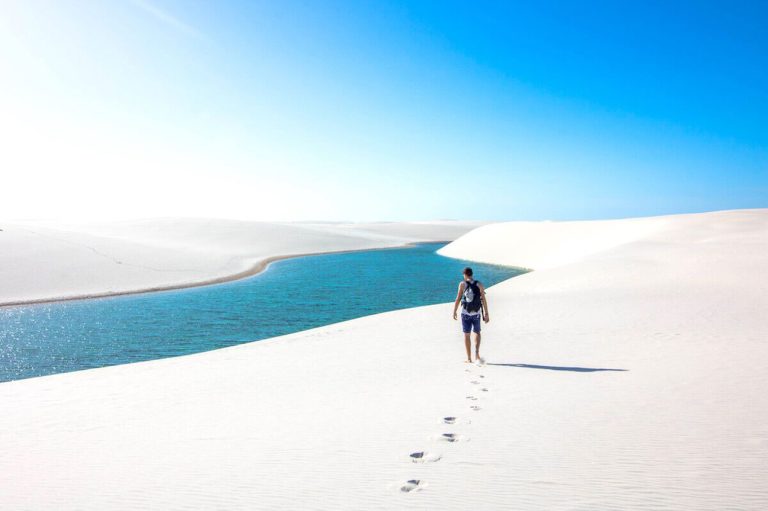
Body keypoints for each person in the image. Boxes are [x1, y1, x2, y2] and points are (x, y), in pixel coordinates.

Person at [452, 267, 489, 364]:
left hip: (465, 314)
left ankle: (469, 358)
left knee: (467, 335)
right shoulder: (479, 284)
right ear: (472, 274)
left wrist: (454, 311)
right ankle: (477, 354)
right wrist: (486, 313)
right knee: (477, 332)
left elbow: (458, 298)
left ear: (464, 275)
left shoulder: (462, 284)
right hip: (476, 313)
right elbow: (483, 300)